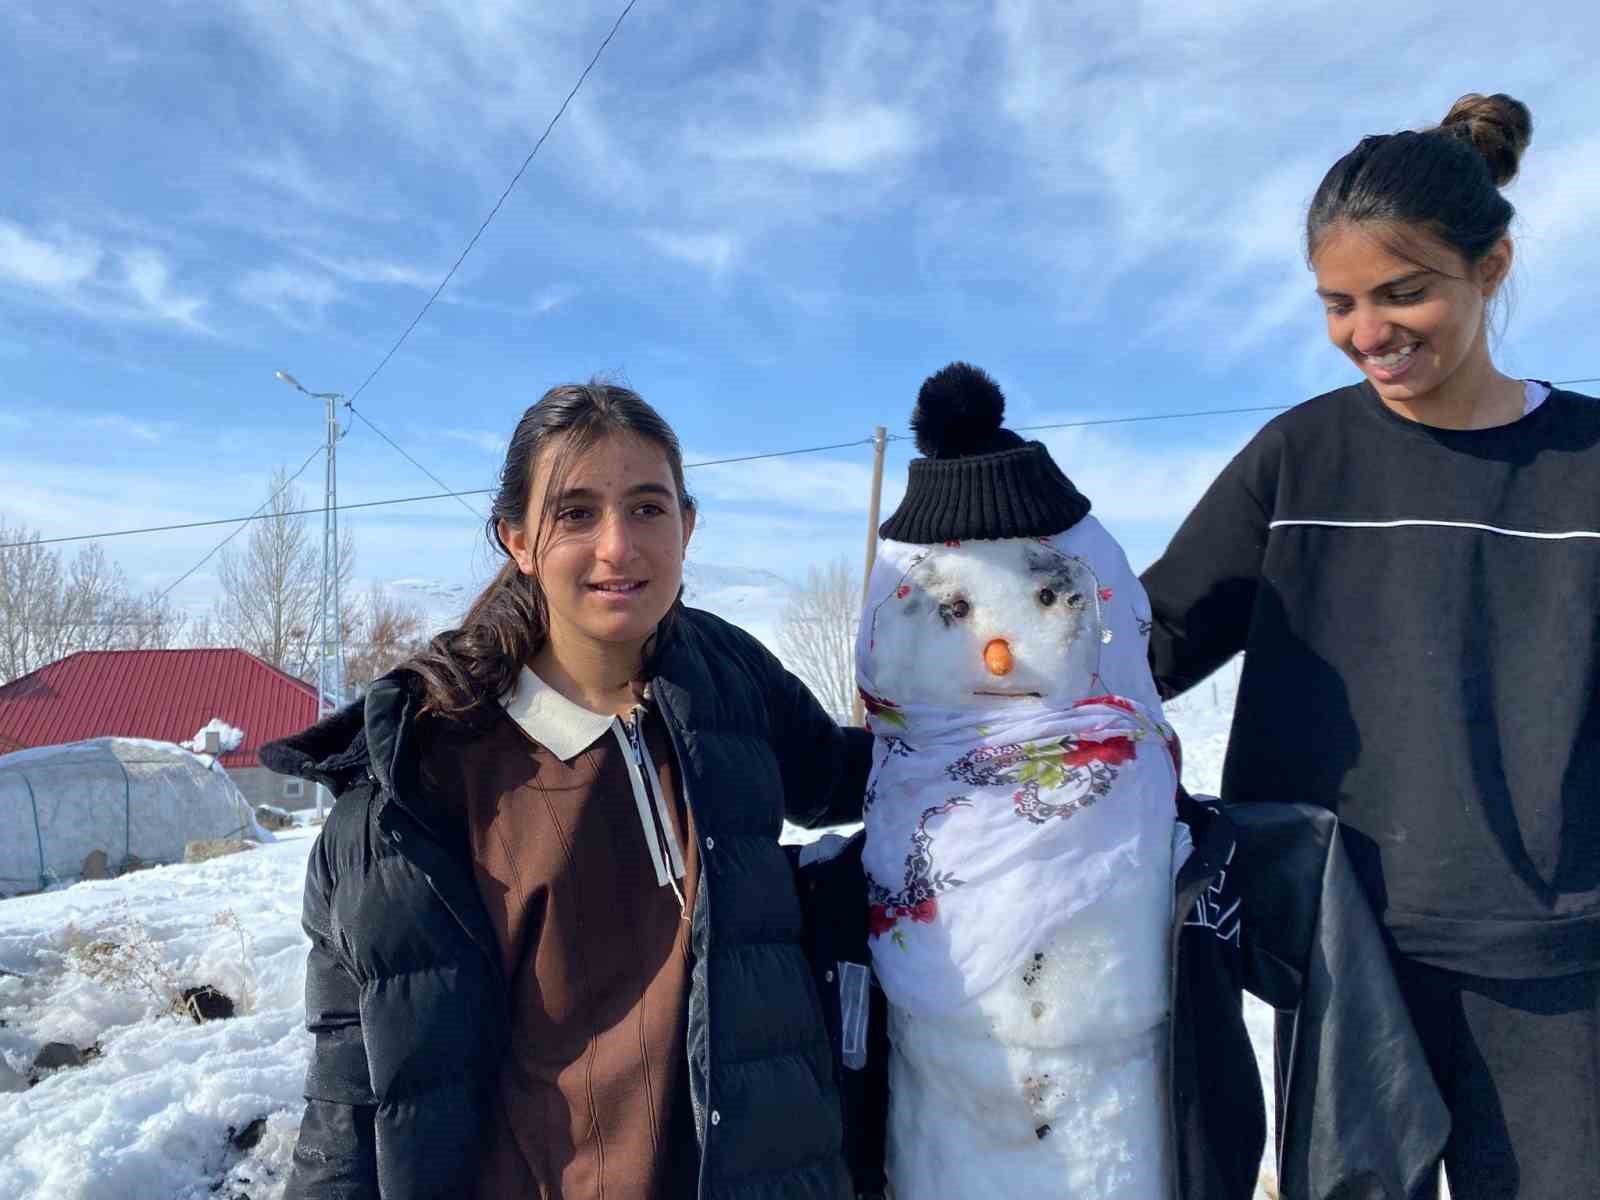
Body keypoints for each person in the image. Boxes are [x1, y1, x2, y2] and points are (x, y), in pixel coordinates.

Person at [1141, 92, 1600, 1199]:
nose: (1367, 332)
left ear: (1489, 270)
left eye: (1404, 294)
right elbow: (1144, 645)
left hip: (1555, 962)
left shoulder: (1587, 460)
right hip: (1347, 953)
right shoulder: (1302, 456)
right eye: (1337, 304)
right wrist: (1000, 594)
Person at [263, 381, 872, 1200]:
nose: (618, 547)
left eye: (648, 509)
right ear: (517, 539)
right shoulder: (423, 772)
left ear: (687, 528)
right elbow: (354, 1072)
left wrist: (1019, 733)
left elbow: (850, 777)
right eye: (577, 513)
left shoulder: (727, 677)